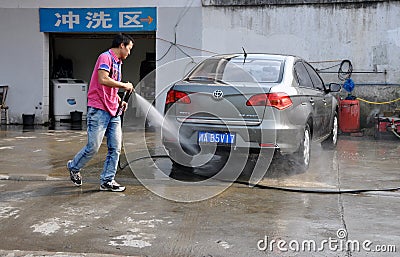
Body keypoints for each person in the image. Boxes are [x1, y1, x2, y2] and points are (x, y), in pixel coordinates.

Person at [67, 33, 135, 192]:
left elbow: (109, 89)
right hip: (98, 109)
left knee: (115, 148)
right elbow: (102, 79)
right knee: (93, 147)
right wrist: (124, 85)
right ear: (122, 45)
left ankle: (107, 181)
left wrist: (120, 101)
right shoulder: (105, 57)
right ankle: (74, 166)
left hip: (113, 111)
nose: (129, 53)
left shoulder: (118, 63)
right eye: (129, 48)